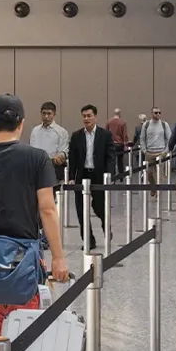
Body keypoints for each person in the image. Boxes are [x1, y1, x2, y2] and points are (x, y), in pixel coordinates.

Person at [0, 94, 72, 338]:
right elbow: (47, 209)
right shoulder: (37, 159)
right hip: (24, 264)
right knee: (24, 343)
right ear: (21, 124)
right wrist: (58, 258)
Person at [67, 104, 118, 247]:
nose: (86, 118)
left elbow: (110, 157)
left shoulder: (105, 135)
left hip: (99, 175)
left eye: (89, 116)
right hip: (82, 176)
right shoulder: (77, 136)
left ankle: (106, 228)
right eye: (84, 116)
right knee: (81, 209)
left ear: (95, 117)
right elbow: (73, 158)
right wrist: (71, 177)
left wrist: (110, 176)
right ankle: (89, 240)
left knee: (99, 206)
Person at [29, 101, 71, 176]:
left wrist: (60, 156)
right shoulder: (35, 131)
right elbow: (32, 149)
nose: (46, 116)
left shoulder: (62, 132)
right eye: (44, 113)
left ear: (54, 114)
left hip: (54, 167)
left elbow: (64, 150)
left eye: (49, 114)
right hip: (36, 167)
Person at [139, 107, 174, 189]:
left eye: (159, 112)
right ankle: (153, 188)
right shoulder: (146, 125)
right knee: (149, 173)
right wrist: (144, 151)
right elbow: (142, 138)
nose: (158, 114)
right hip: (149, 153)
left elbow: (169, 139)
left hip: (160, 152)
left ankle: (158, 190)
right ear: (152, 114)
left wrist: (165, 151)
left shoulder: (164, 124)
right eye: (156, 112)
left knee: (160, 173)